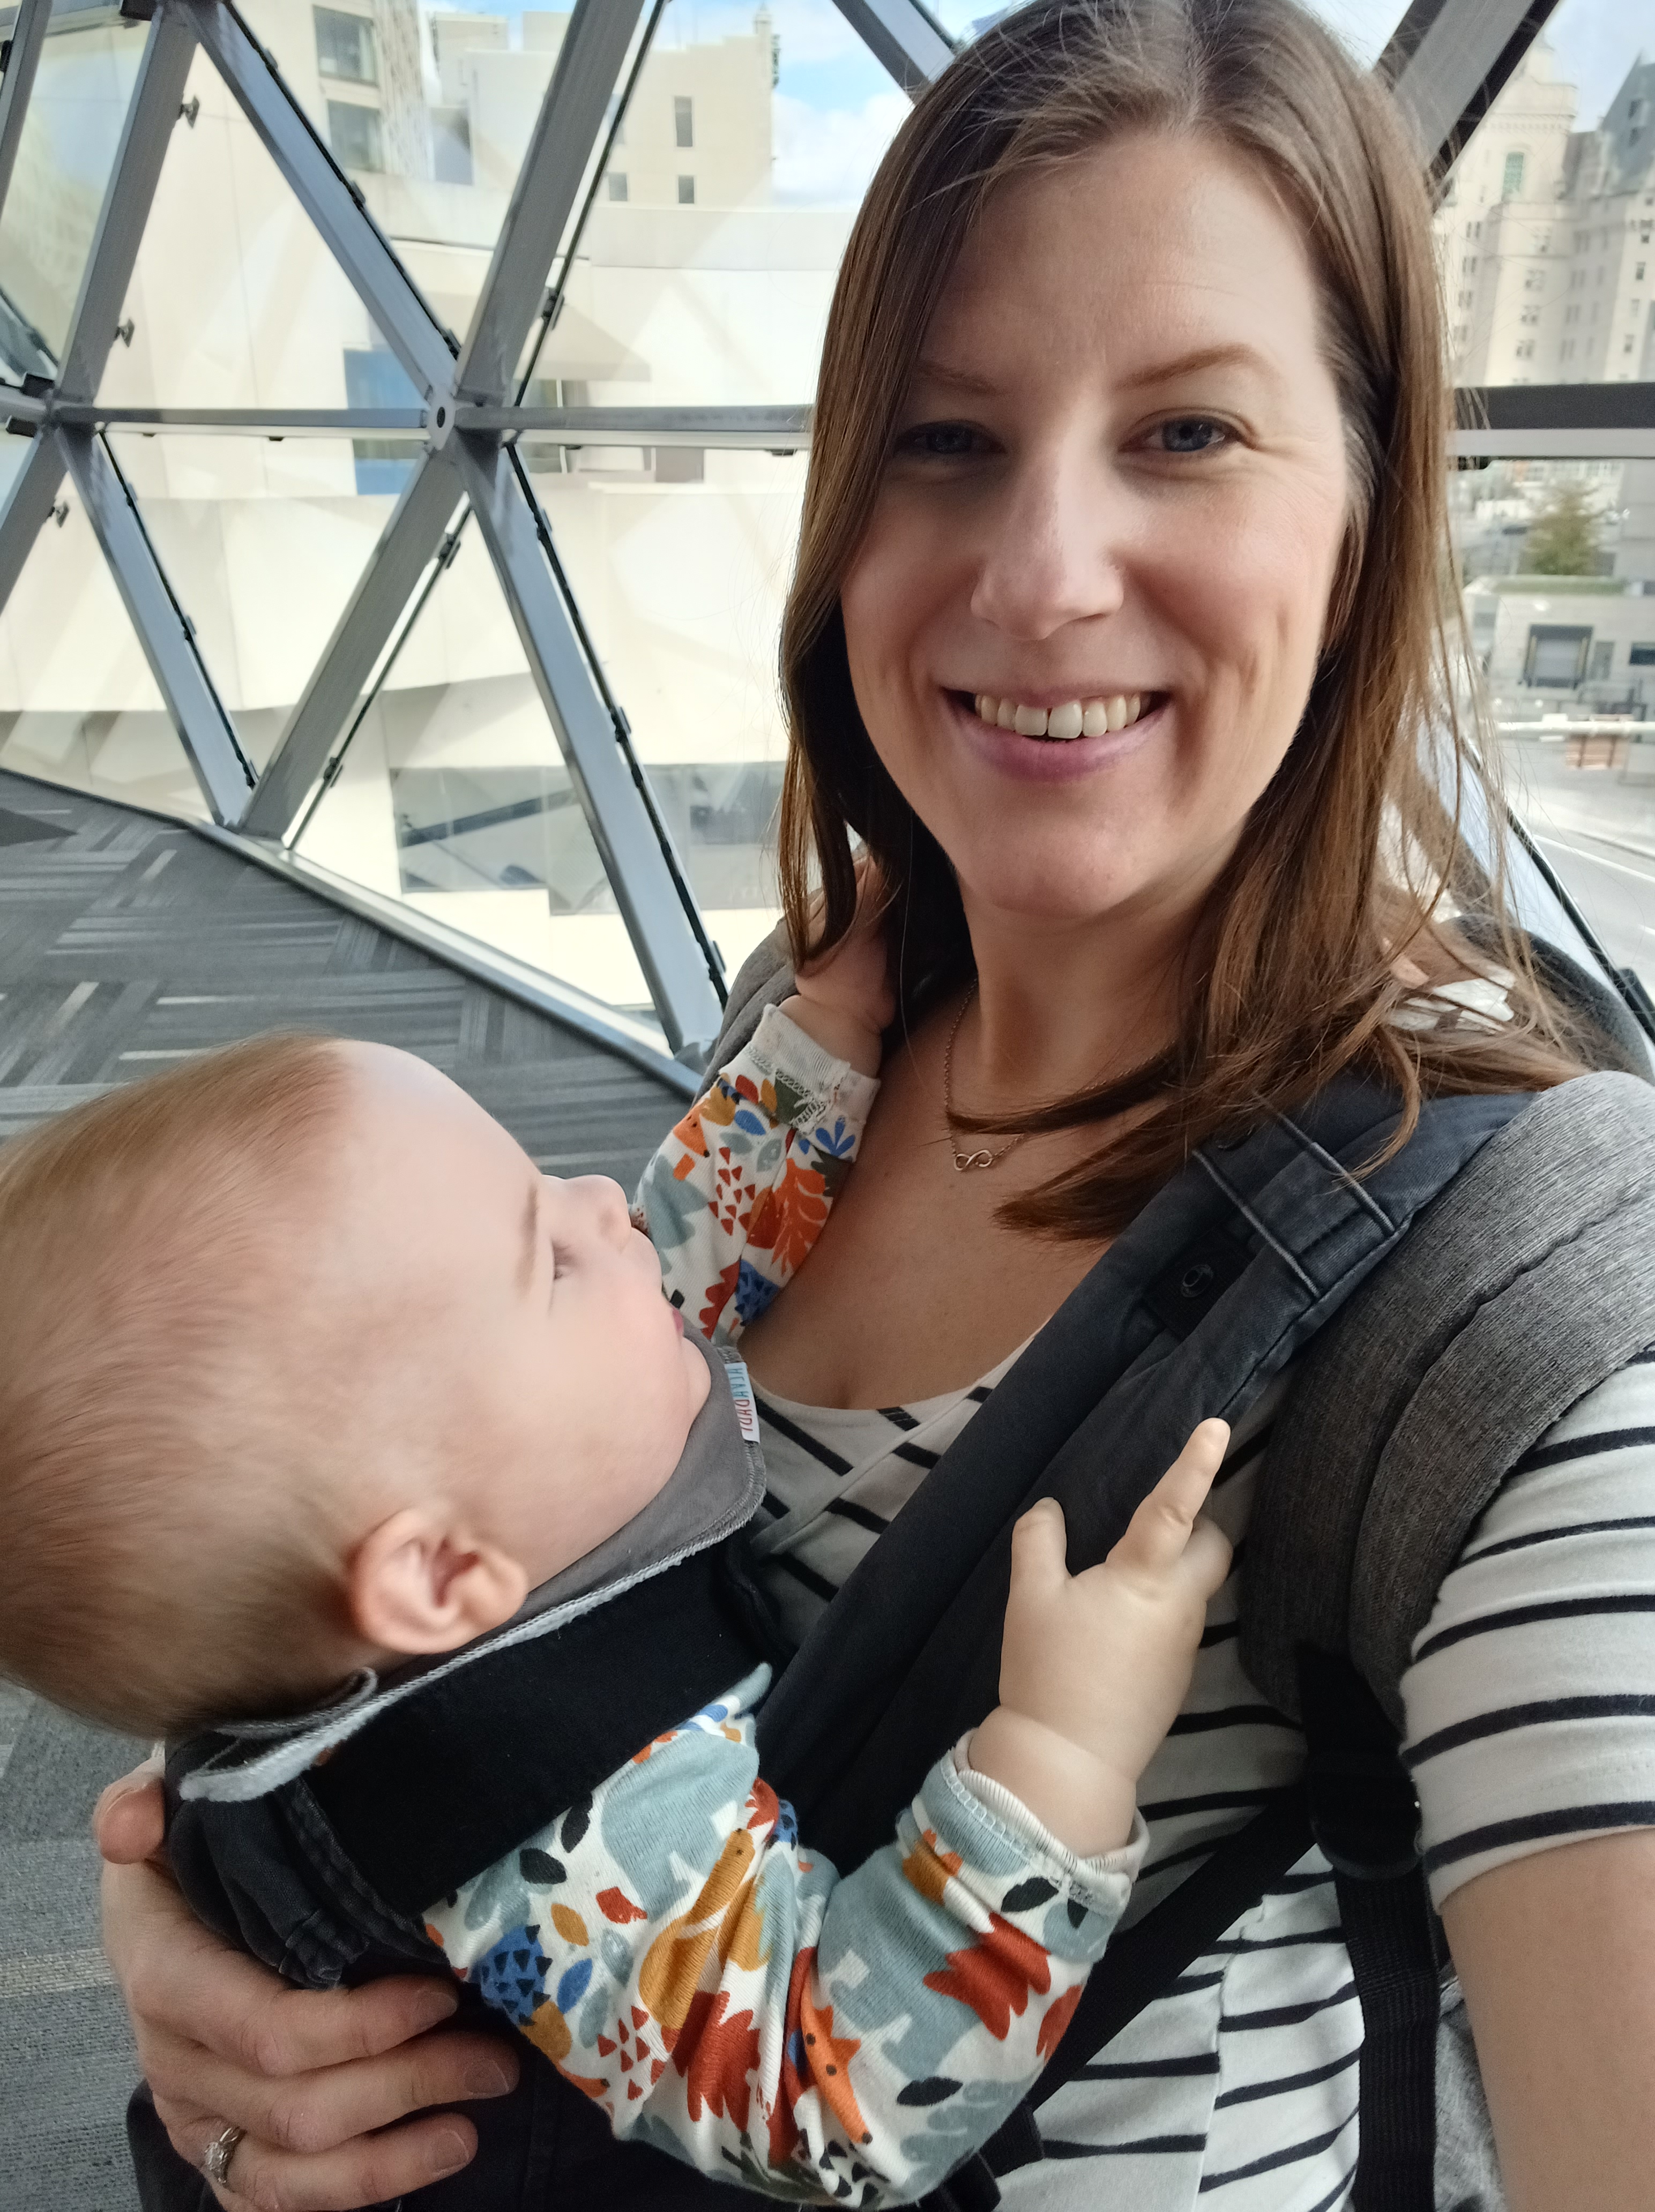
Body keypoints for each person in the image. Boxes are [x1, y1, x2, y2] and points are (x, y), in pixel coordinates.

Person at [95, 0, 1655, 2205]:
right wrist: (251, 1947)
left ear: (1378, 502)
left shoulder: (1527, 1298)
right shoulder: (811, 1053)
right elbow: (430, 1558)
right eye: (944, 438)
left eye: (1189, 432)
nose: (1038, 575)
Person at [0, 953, 1232, 2202]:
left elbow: (668, 1272)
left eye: (542, 1177)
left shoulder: (458, 1546)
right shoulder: (552, 1809)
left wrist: (814, 1055)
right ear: (437, 1573)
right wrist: (1059, 1752)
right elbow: (825, 2097)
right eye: (547, 1261)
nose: (603, 1197)